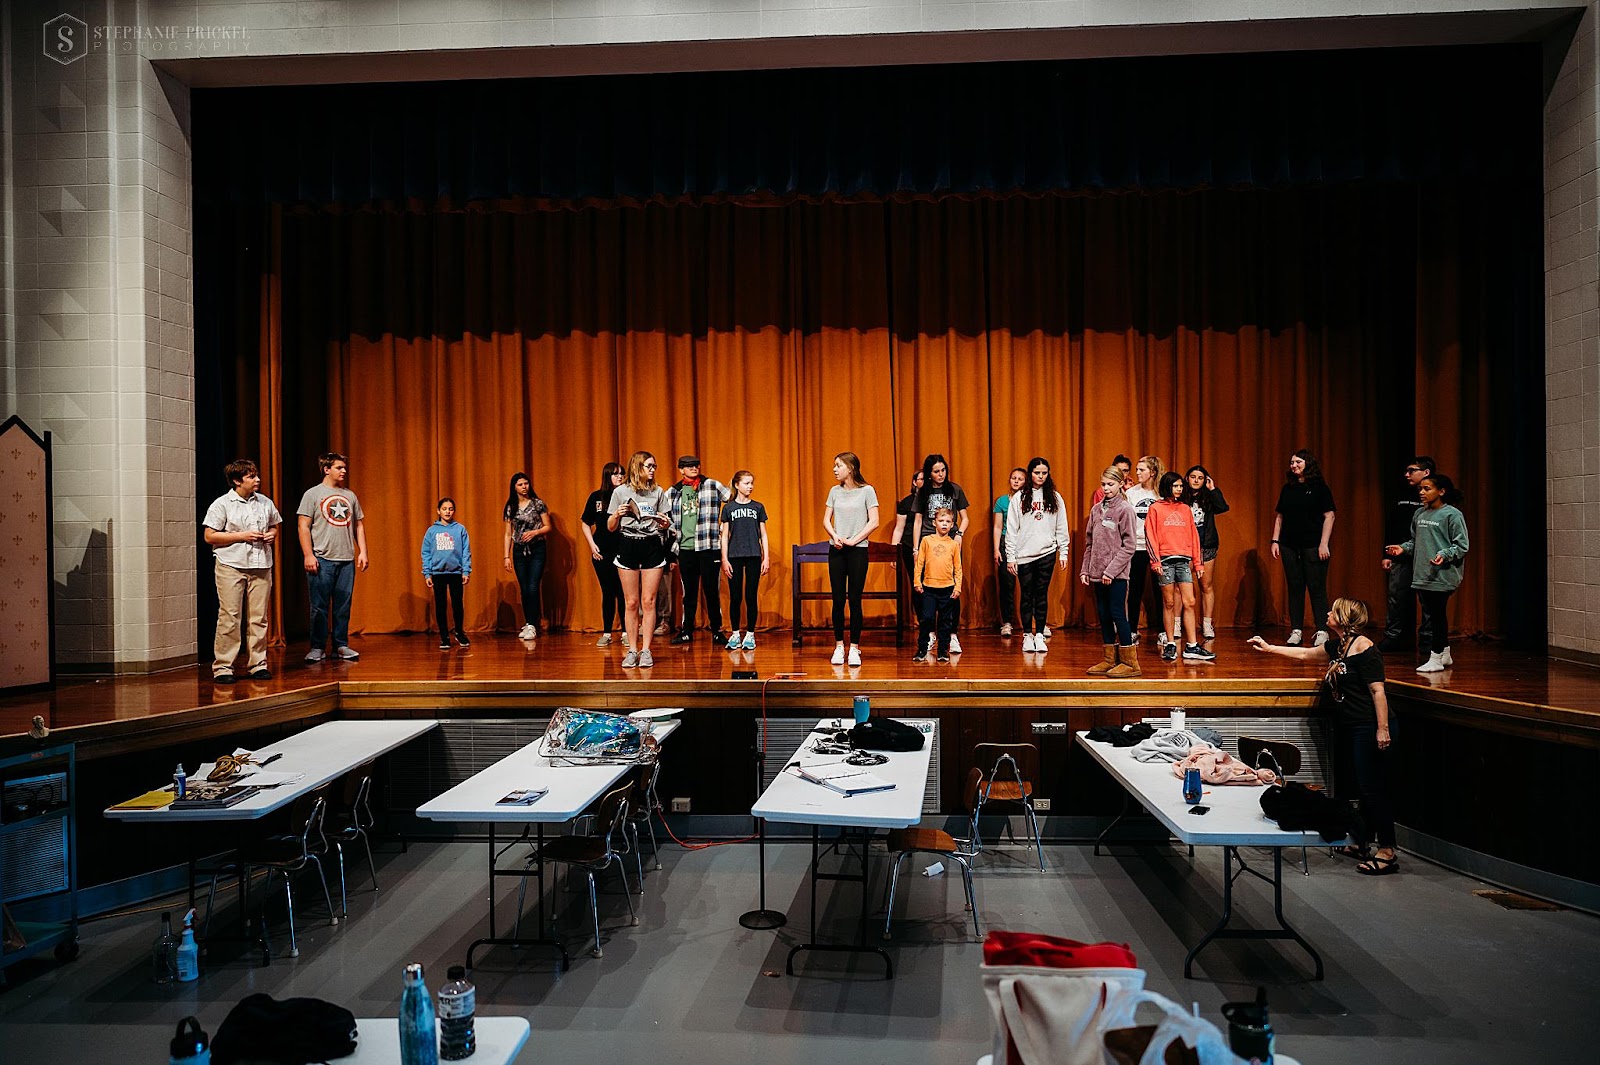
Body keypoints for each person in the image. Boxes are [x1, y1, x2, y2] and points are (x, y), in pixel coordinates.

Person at [1248, 598, 1397, 875]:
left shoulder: (1364, 648)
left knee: (1372, 789)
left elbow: (1378, 692)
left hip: (1369, 725)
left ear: (1342, 618)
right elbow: (1305, 655)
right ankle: (1364, 840)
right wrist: (1269, 648)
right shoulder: (1339, 647)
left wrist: (1382, 728)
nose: (1327, 612)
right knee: (1359, 788)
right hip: (1351, 726)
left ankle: (1387, 851)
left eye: (1332, 610)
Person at [202, 459, 282, 683]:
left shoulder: (264, 502)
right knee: (230, 616)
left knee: (259, 618)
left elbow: (275, 526)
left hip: (261, 565)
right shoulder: (222, 504)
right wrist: (241, 536)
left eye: (256, 475)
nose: (257, 479)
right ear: (237, 481)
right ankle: (224, 667)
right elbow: (210, 536)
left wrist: (271, 535)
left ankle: (258, 664)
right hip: (232, 565)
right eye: (251, 476)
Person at [1386, 473, 1469, 673]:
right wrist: (1402, 548)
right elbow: (1415, 542)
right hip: (1422, 573)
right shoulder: (1420, 514)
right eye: (1420, 489)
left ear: (1441, 491)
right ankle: (1445, 653)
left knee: (1436, 616)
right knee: (1435, 613)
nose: (1422, 493)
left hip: (1442, 574)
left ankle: (1436, 657)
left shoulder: (1452, 515)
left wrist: (1444, 554)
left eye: (1427, 489)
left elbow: (1461, 545)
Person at [297, 452, 368, 663]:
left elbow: (359, 524)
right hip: (322, 558)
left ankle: (341, 645)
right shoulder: (312, 494)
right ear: (326, 469)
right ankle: (317, 647)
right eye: (339, 467)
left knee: (343, 605)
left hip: (345, 558)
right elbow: (303, 526)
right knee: (319, 606)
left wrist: (363, 551)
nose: (344, 471)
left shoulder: (350, 496)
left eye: (344, 467)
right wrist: (308, 555)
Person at [608, 451, 673, 668]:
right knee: (631, 602)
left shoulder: (658, 492)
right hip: (628, 543)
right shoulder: (620, 491)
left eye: (654, 466)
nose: (653, 470)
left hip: (652, 545)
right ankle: (632, 650)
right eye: (649, 466)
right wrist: (617, 514)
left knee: (649, 601)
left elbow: (667, 523)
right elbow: (610, 527)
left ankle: (646, 650)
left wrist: (664, 523)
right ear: (637, 467)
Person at [1271, 448, 1336, 647]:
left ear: (1308, 463)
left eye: (1298, 461)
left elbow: (1329, 516)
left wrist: (1323, 543)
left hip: (1313, 545)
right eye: (1292, 462)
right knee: (1295, 587)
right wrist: (1275, 541)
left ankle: (1322, 630)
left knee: (1316, 588)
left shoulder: (1320, 488)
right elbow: (1280, 517)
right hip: (1290, 545)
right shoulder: (1288, 488)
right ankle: (1296, 630)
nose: (1294, 465)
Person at [1005, 457, 1070, 654]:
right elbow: (1012, 529)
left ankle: (1040, 634)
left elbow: (1061, 525)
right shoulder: (1019, 498)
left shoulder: (1055, 497)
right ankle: (1027, 635)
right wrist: (1011, 556)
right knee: (1027, 595)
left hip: (1047, 552)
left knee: (1041, 594)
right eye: (1036, 473)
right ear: (1030, 473)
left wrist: (1063, 551)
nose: (1040, 476)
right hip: (1024, 554)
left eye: (1044, 473)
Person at [1147, 472, 1214, 662]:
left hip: (1183, 560)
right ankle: (1170, 643)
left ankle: (1192, 645)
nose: (1179, 489)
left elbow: (1193, 536)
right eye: (1175, 486)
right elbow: (1150, 534)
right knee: (1169, 603)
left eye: (1180, 486)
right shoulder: (1156, 508)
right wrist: (1155, 561)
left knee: (1190, 601)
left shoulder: (1185, 509)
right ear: (1167, 487)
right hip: (1166, 561)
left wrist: (1198, 562)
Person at [1079, 466, 1139, 677]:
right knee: (1103, 616)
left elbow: (1129, 546)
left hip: (1116, 575)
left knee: (1118, 615)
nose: (1106, 488)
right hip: (1097, 573)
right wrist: (1086, 569)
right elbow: (1089, 543)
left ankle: (1130, 663)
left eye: (1110, 484)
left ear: (1121, 484)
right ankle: (1109, 659)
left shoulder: (1125, 510)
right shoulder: (1096, 510)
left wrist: (1111, 571)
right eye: (1103, 484)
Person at [823, 451, 880, 667]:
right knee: (838, 599)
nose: (835, 469)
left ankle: (854, 648)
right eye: (834, 465)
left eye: (838, 465)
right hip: (837, 549)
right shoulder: (834, 492)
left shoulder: (867, 491)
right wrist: (835, 536)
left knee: (854, 599)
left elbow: (873, 521)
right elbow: (826, 520)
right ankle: (839, 646)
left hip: (857, 550)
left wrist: (853, 540)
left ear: (851, 467)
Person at [668, 456, 732, 646]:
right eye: (688, 466)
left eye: (696, 465)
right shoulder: (673, 492)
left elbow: (732, 498)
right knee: (689, 593)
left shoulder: (711, 485)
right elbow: (664, 515)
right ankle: (686, 630)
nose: (693, 468)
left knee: (712, 591)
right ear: (681, 470)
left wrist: (723, 528)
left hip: (708, 546)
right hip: (686, 548)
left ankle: (717, 631)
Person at [912, 454, 971, 654]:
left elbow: (964, 518)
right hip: (929, 542)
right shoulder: (923, 492)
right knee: (927, 588)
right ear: (929, 473)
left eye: (943, 470)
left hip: (950, 542)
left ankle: (952, 634)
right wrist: (915, 547)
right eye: (936, 471)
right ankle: (929, 634)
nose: (940, 475)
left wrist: (959, 534)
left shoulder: (955, 489)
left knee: (951, 587)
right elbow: (918, 521)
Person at [1378, 455, 1435, 652]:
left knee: (1428, 600)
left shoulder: (1434, 496)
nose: (1407, 474)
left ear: (1426, 472)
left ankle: (1428, 641)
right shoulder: (1400, 494)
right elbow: (1391, 524)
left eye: (1412, 470)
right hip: (1401, 554)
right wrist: (1387, 553)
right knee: (1396, 596)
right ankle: (1393, 636)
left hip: (1427, 557)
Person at [720, 470, 770, 651]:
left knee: (750, 596)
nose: (750, 486)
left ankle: (750, 635)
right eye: (747, 483)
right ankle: (734, 634)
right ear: (737, 485)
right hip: (734, 556)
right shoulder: (728, 508)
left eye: (752, 483)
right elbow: (724, 536)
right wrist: (724, 559)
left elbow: (763, 534)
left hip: (753, 556)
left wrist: (766, 557)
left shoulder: (758, 507)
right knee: (735, 597)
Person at [581, 462, 627, 647]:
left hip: (623, 549)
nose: (619, 477)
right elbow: (585, 522)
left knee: (624, 592)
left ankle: (626, 632)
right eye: (615, 474)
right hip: (601, 550)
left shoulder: (627, 496)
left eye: (622, 474)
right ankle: (607, 632)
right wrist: (592, 546)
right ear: (607, 476)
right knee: (608, 592)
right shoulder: (597, 497)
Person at [1183, 465, 1230, 639]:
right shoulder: (1180, 497)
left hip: (1206, 545)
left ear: (1205, 480)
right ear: (1187, 478)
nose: (1196, 480)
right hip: (1185, 546)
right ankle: (1177, 624)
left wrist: (1213, 489)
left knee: (1206, 585)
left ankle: (1207, 624)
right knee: (1182, 588)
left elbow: (1222, 507)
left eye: (1200, 478)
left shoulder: (1208, 497)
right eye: (1193, 477)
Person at [502, 472, 551, 639]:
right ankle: (529, 622)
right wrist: (506, 556)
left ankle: (532, 624)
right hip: (519, 551)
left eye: (526, 483)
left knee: (533, 586)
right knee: (524, 588)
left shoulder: (538, 504)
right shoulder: (511, 507)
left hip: (537, 548)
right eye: (520, 484)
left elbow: (547, 526)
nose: (524, 487)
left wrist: (535, 532)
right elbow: (508, 533)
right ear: (514, 487)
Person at [420, 497, 472, 650]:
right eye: (444, 509)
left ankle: (459, 632)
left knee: (457, 604)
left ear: (454, 511)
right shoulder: (432, 531)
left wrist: (466, 570)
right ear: (438, 511)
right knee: (441, 605)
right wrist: (427, 573)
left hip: (456, 572)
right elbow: (426, 552)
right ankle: (444, 636)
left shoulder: (460, 529)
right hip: (438, 573)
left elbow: (466, 552)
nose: (447, 511)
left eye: (450, 509)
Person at [912, 507, 963, 663]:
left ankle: (942, 651)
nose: (944, 524)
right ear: (934, 523)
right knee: (926, 619)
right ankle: (922, 649)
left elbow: (958, 567)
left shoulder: (953, 544)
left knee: (945, 622)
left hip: (947, 589)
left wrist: (957, 587)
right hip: (928, 588)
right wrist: (917, 581)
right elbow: (919, 563)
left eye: (948, 522)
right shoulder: (927, 540)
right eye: (941, 521)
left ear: (952, 524)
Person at [1125, 456, 1162, 643]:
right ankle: (1131, 629)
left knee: (1161, 590)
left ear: (1152, 472)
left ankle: (1164, 631)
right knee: (1135, 590)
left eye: (1142, 470)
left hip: (1158, 548)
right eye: (1137, 469)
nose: (1137, 473)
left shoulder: (1161, 494)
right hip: (1137, 546)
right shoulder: (1131, 493)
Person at [992, 467, 1026, 637]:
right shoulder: (1002, 501)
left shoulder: (1030, 501)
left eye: (1020, 478)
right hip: (1007, 542)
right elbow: (998, 527)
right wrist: (997, 549)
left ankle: (1035, 622)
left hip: (1026, 543)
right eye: (1013, 478)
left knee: (1030, 585)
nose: (1016, 481)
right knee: (1007, 584)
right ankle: (1007, 622)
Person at [891, 469, 925, 624]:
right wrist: (893, 552)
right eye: (921, 479)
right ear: (914, 482)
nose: (924, 482)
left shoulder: (932, 501)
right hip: (909, 547)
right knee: (916, 582)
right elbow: (899, 528)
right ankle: (921, 617)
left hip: (930, 546)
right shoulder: (906, 503)